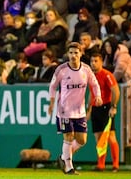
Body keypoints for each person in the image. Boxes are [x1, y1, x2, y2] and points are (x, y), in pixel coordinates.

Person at [48, 43, 103, 175]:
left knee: (82, 140)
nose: (73, 55)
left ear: (81, 53)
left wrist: (98, 96)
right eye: (71, 53)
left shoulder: (86, 69)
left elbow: (94, 84)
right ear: (68, 54)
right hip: (64, 110)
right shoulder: (61, 69)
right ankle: (69, 167)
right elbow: (52, 86)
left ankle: (63, 157)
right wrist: (51, 102)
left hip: (80, 111)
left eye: (76, 53)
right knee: (68, 136)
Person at [88, 53, 120, 172]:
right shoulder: (91, 76)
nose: (93, 63)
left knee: (111, 136)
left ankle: (115, 165)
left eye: (96, 61)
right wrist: (89, 109)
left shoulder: (107, 75)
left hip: (106, 107)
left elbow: (116, 91)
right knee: (98, 138)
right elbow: (91, 93)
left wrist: (113, 107)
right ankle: (101, 165)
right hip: (96, 108)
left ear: (101, 62)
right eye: (92, 61)